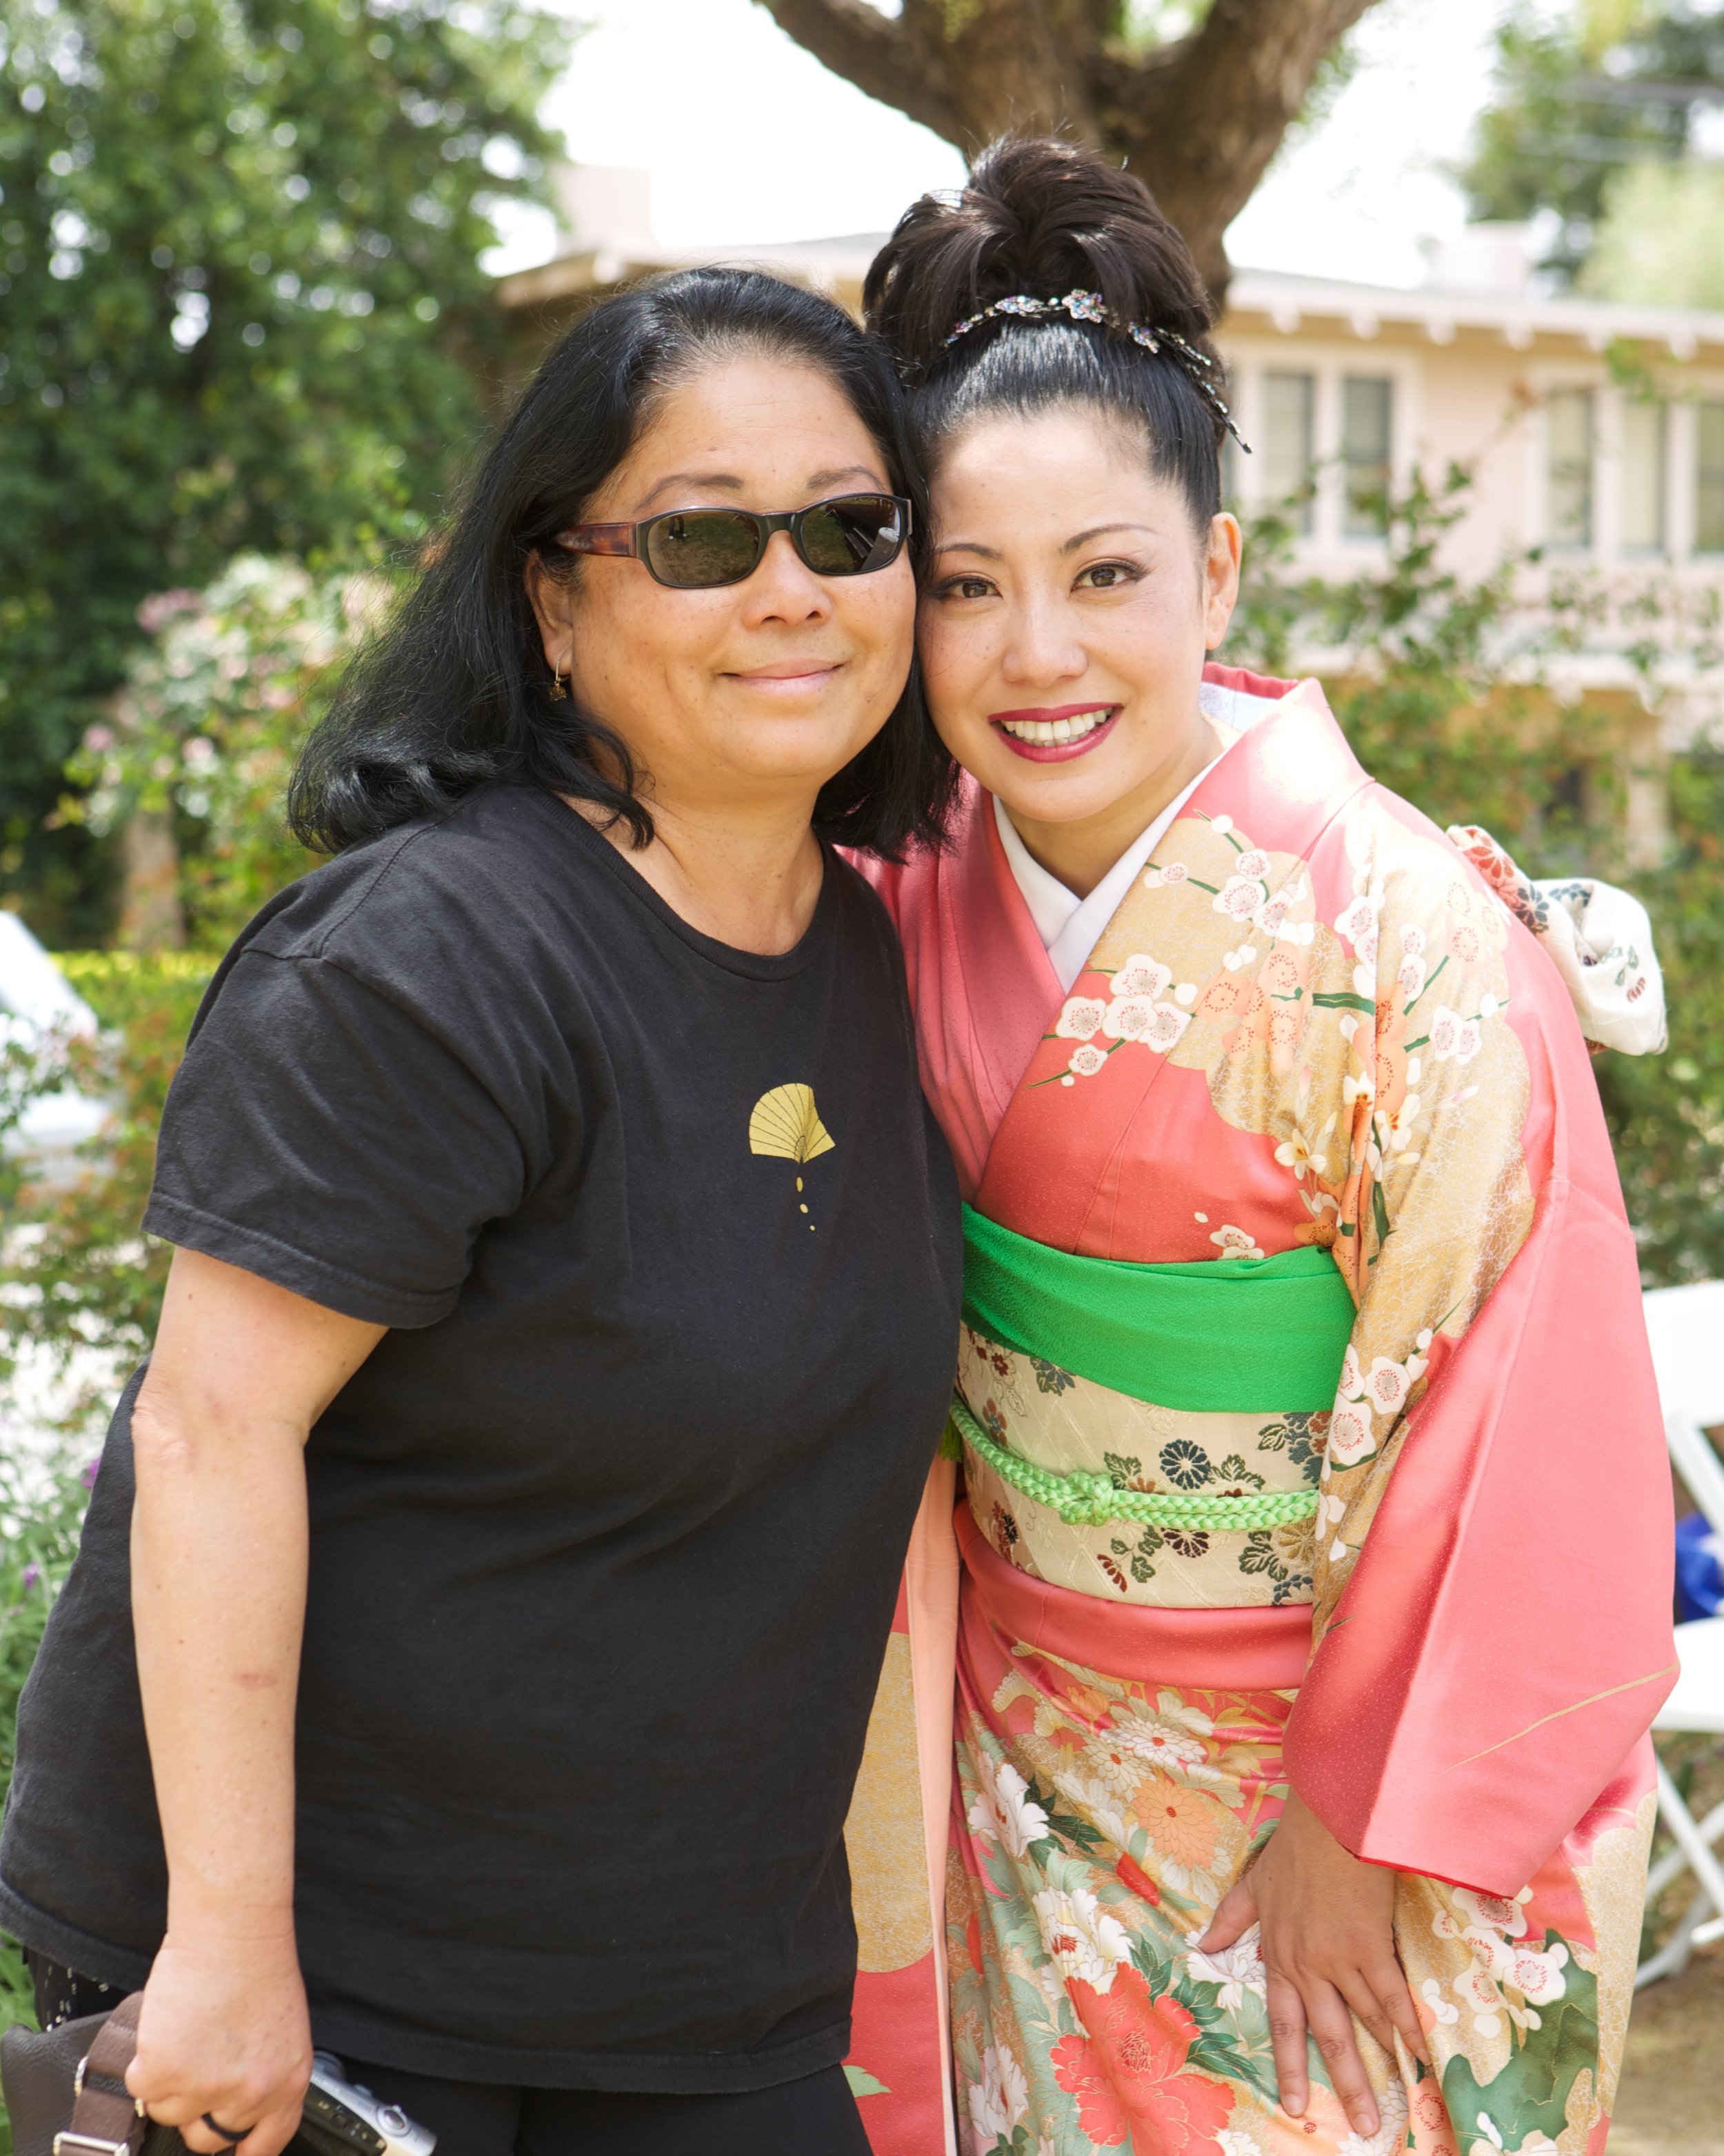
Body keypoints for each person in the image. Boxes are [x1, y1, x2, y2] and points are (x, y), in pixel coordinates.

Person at [0, 268, 966, 2156]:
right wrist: (224, 1951)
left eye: (853, 529)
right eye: (702, 537)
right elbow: (208, 1430)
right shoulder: (425, 961)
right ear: (549, 599)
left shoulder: (863, 942)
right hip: (339, 1983)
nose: (793, 591)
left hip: (700, 1977)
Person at [847, 141, 1675, 2156]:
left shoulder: (1414, 941)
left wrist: (1351, 1822)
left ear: (1217, 574)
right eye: (967, 588)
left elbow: (1519, 1410)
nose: (1037, 654)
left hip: (1333, 1780)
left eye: (1105, 575)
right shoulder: (887, 890)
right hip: (1016, 1730)